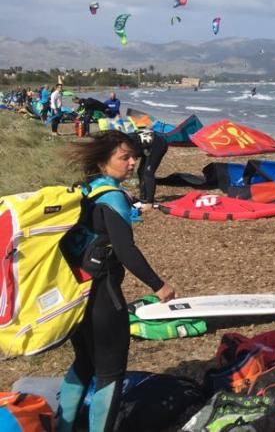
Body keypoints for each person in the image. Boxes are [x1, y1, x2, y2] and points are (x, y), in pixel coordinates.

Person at [57, 131, 175, 432]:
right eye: (125, 157)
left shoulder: (86, 190)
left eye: (134, 156)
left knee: (84, 363)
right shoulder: (112, 196)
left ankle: (63, 427)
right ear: (103, 161)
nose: (133, 162)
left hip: (78, 292)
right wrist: (158, 285)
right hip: (103, 296)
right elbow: (125, 250)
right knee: (110, 373)